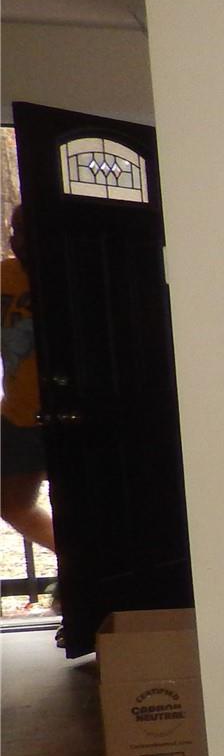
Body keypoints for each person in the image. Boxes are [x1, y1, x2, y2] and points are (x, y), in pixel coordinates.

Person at [1, 204, 56, 558]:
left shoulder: (79, 274)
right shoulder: (5, 277)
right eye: (15, 230)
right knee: (10, 502)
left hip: (71, 414)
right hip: (19, 417)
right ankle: (77, 562)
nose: (18, 239)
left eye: (26, 230)